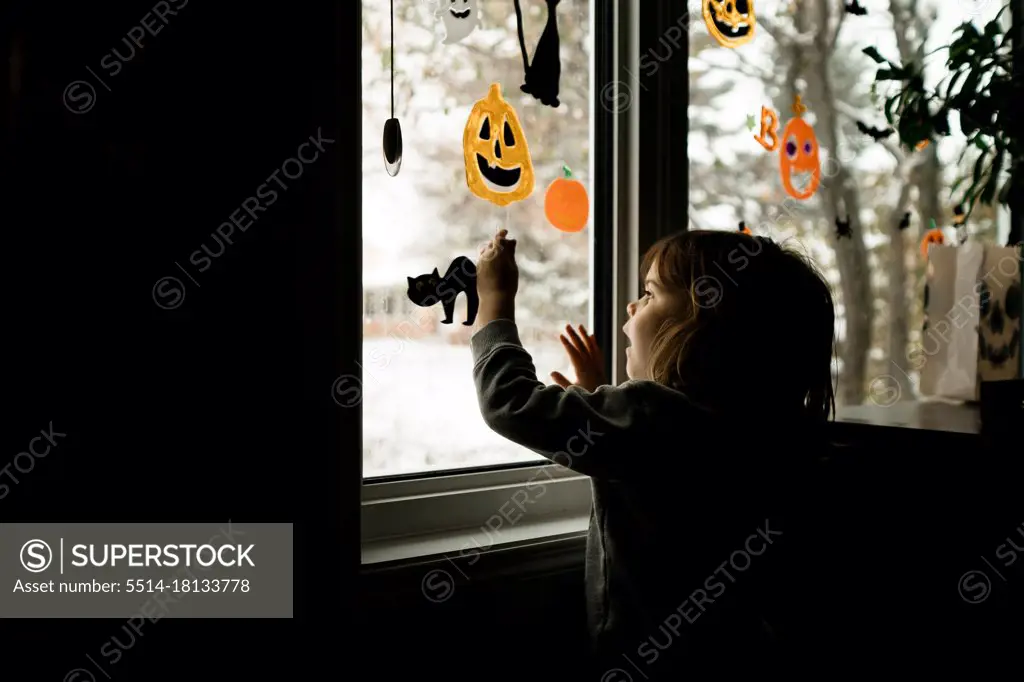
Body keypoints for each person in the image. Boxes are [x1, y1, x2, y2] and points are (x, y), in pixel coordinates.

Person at [471, 228, 837, 677]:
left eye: (649, 293)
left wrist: (495, 302)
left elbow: (509, 403)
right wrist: (596, 395)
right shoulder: (765, 427)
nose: (631, 305)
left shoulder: (654, 416)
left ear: (703, 328)